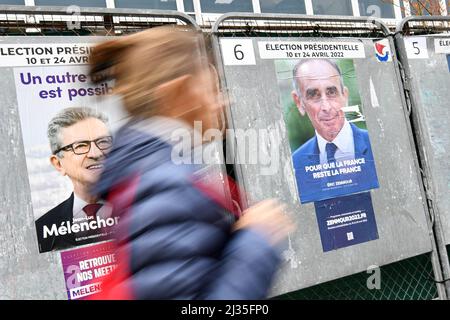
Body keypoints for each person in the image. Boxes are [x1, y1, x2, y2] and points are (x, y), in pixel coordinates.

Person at [87, 26, 294, 300]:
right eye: (214, 88)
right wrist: (258, 242)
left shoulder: (161, 170)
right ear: (180, 91)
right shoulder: (164, 183)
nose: (224, 100)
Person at [291, 59, 378, 203]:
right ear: (299, 102)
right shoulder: (295, 164)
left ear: (345, 96)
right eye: (314, 95)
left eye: (331, 92)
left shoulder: (377, 145)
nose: (326, 107)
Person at [35, 107, 115, 253]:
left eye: (103, 142)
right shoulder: (41, 230)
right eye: (80, 146)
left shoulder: (144, 207)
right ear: (58, 164)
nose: (95, 153)